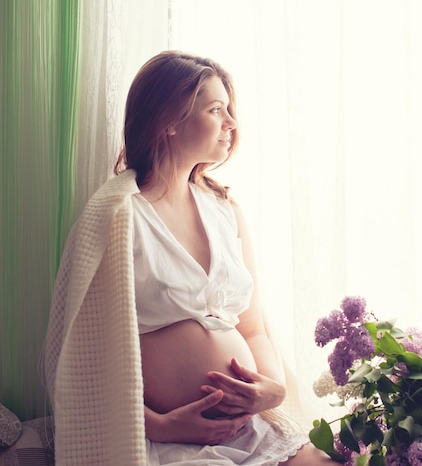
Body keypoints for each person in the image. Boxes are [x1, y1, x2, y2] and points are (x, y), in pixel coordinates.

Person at [44, 50, 336, 465]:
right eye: (216, 110)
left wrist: (273, 388)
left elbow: (252, 328)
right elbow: (83, 366)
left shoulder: (225, 209)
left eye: (229, 110)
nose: (231, 123)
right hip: (161, 439)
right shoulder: (116, 217)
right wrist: (161, 425)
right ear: (168, 121)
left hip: (251, 428)